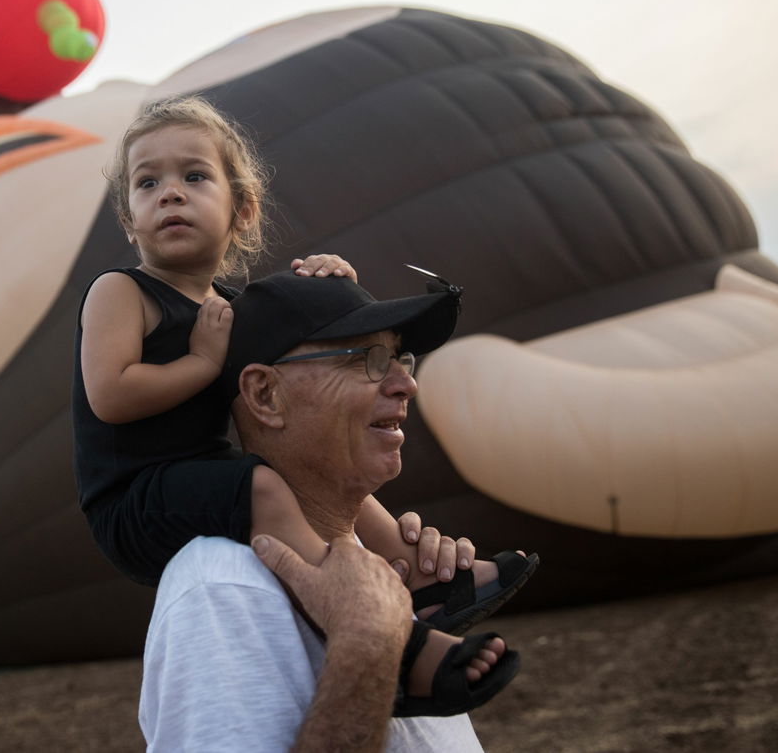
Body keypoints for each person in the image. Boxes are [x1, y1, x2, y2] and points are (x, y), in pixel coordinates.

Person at [74, 95, 531, 629]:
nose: (170, 192)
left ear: (241, 210)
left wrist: (331, 279)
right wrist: (202, 361)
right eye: (147, 183)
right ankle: (354, 612)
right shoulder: (121, 292)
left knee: (306, 469)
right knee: (267, 485)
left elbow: (296, 364)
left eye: (195, 177)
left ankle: (417, 573)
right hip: (133, 503)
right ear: (130, 223)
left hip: (205, 480)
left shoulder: (226, 307)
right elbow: (109, 396)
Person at [140, 270, 528, 750]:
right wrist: (368, 641)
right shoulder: (223, 587)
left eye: (402, 358)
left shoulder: (373, 564)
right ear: (265, 395)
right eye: (367, 358)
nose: (407, 384)